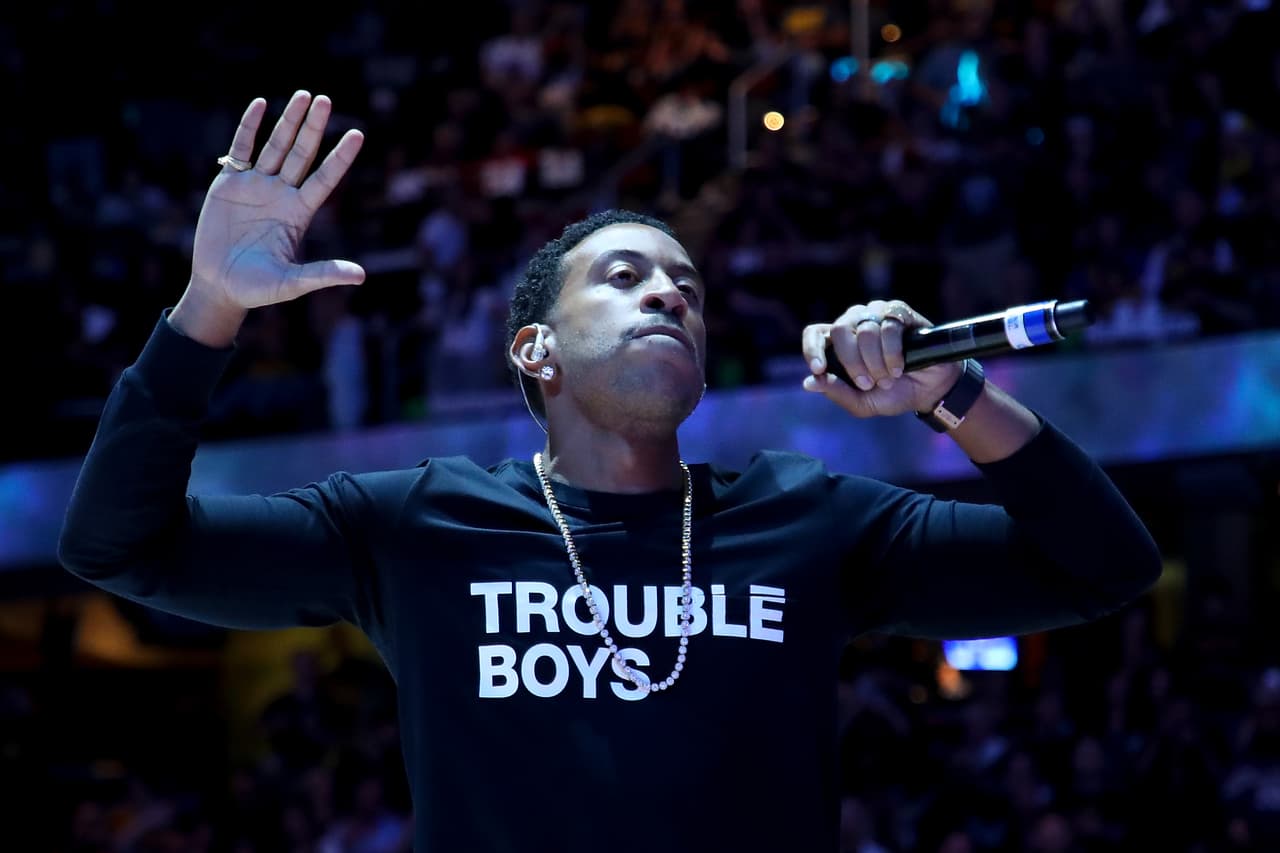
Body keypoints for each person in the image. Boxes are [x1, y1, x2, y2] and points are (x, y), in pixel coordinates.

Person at [58, 91, 1162, 852]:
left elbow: (1100, 566)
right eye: (625, 275)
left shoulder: (805, 518)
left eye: (685, 286)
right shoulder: (413, 525)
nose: (668, 295)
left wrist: (951, 393)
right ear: (535, 350)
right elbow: (116, 543)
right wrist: (207, 308)